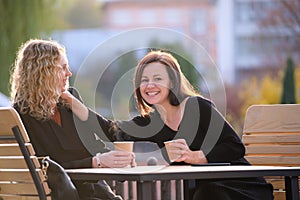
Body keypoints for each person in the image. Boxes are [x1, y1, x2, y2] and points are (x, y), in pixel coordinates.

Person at [78, 50, 273, 200]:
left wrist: (195, 156)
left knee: (206, 193)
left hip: (243, 188)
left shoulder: (197, 107)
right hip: (203, 193)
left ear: (172, 82)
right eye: (144, 80)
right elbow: (110, 130)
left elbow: (234, 147)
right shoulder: (152, 122)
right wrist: (72, 103)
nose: (149, 85)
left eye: (157, 79)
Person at [10, 39, 135, 200]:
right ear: (43, 72)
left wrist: (117, 159)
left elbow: (96, 143)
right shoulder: (23, 113)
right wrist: (96, 162)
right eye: (62, 68)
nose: (69, 73)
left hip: (94, 192)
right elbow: (47, 168)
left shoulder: (69, 101)